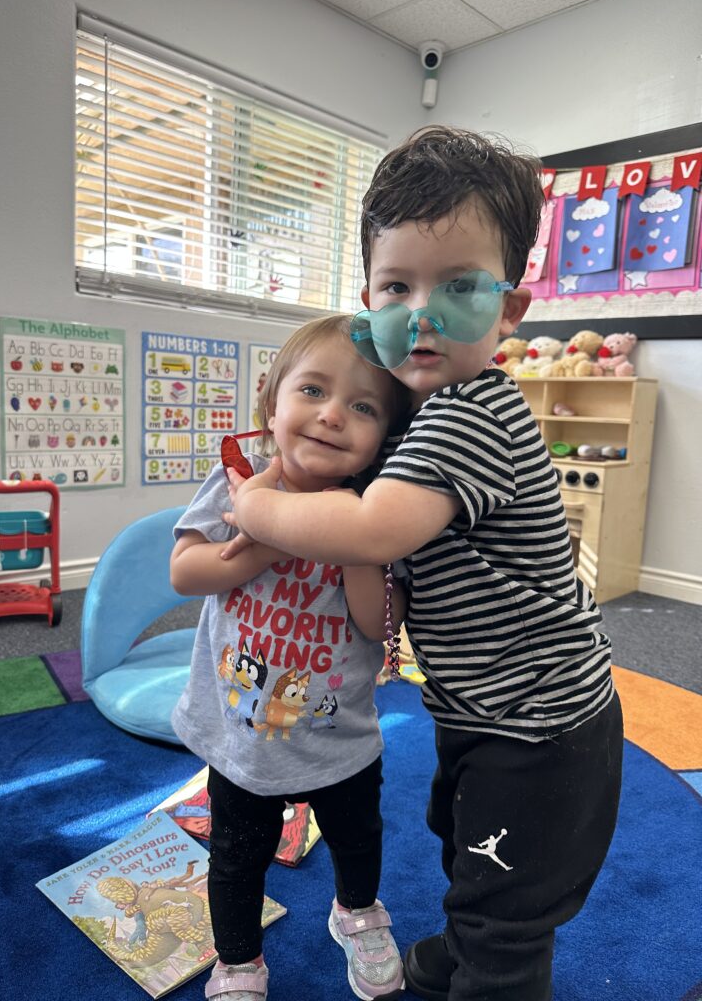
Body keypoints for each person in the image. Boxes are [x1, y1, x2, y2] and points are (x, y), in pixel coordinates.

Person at [223, 127, 624, 1001]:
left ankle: (492, 967)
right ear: (368, 302)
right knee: (467, 844)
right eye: (399, 286)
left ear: (510, 313)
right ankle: (462, 949)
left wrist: (257, 506)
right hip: (485, 708)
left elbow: (372, 531)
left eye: (461, 287)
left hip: (540, 728)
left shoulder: (471, 413)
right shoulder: (424, 407)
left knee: (510, 902)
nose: (425, 312)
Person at [169, 313, 411, 1001]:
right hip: (242, 734)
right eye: (312, 391)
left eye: (362, 406)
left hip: (340, 735)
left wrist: (346, 539)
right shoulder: (239, 487)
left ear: (382, 440)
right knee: (236, 857)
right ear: (270, 403)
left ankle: (356, 912)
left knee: (358, 838)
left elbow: (374, 622)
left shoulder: (378, 511)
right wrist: (269, 535)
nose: (332, 415)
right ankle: (239, 960)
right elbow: (186, 574)